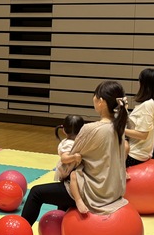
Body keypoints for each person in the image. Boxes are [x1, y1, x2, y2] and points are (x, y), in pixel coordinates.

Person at [20, 80, 129, 226]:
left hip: (94, 192)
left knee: (36, 192)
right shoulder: (119, 128)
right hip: (113, 190)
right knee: (63, 189)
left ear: (101, 101)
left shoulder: (91, 129)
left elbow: (71, 161)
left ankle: (21, 231)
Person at [125, 68, 154, 167]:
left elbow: (143, 134)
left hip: (135, 155)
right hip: (140, 152)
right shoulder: (152, 103)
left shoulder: (147, 105)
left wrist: (120, 129)